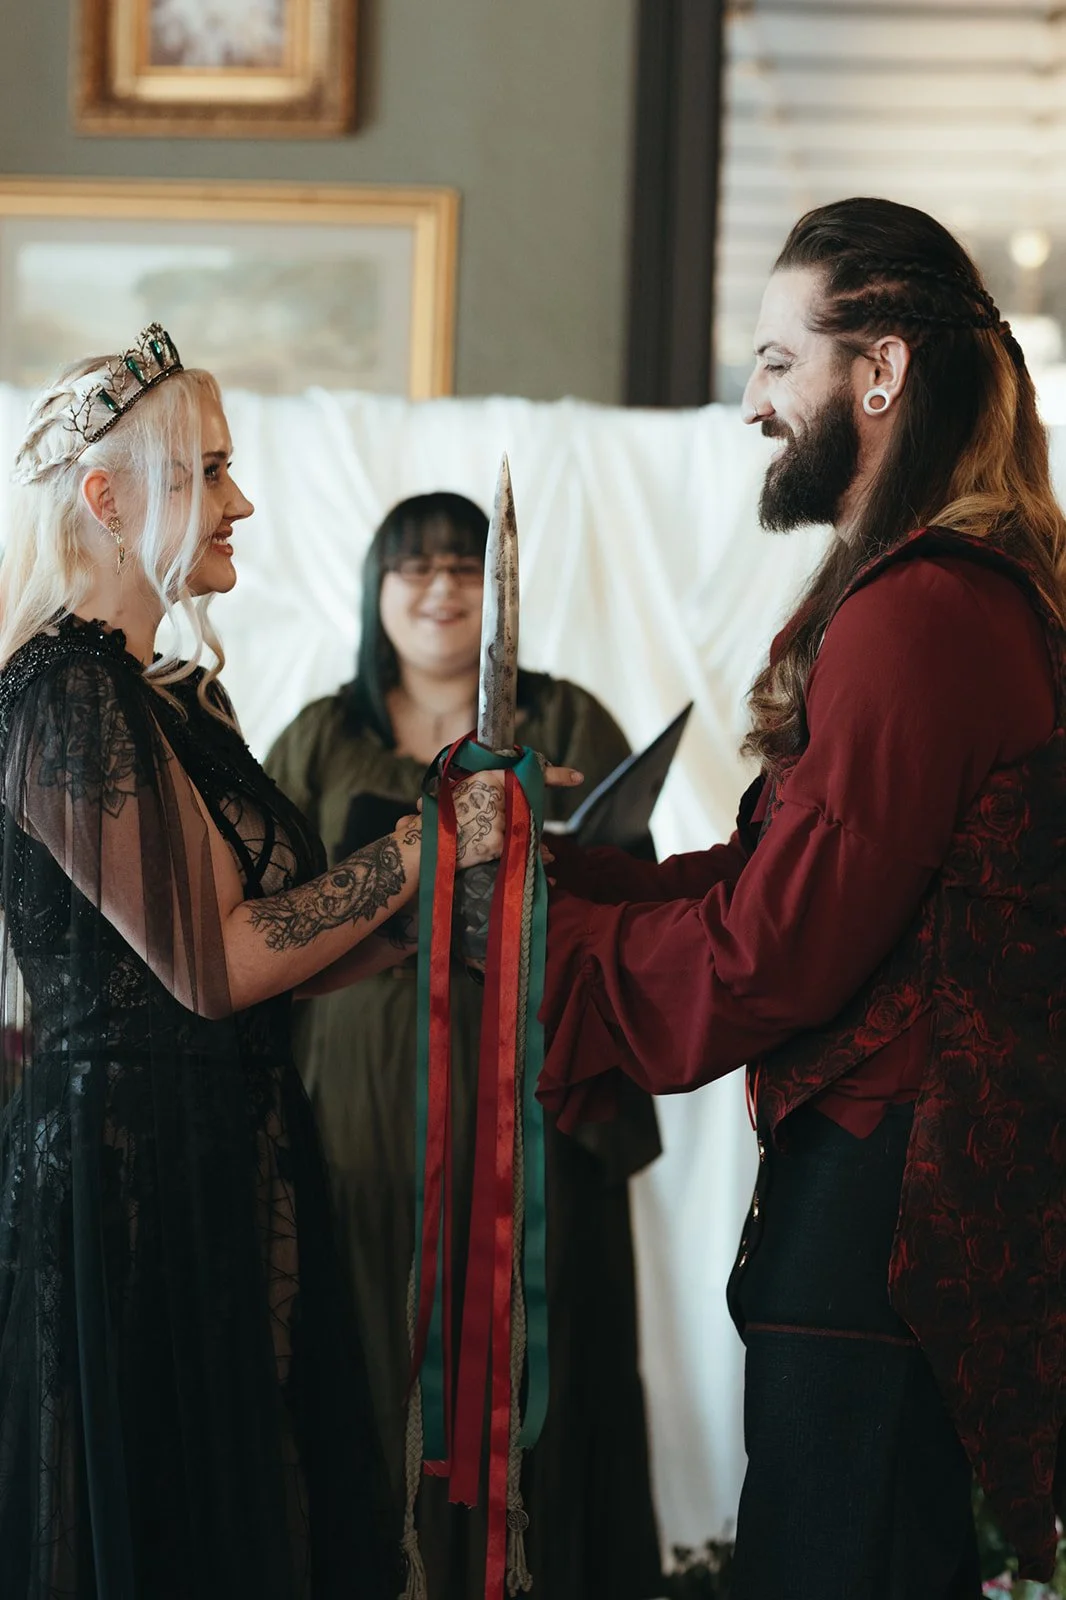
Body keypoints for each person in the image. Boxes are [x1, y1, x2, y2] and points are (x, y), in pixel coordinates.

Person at [457, 198, 1066, 1599]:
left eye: (775, 361)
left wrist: (544, 943)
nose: (749, 403)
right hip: (893, 1201)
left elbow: (779, 949)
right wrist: (577, 880)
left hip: (883, 1219)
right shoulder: (956, 598)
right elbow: (786, 881)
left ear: (882, 371)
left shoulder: (922, 615)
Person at [0, 332, 557, 1600]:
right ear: (108, 499)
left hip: (238, 1137)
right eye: (209, 472)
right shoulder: (63, 701)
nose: (241, 502)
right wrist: (425, 849)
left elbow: (279, 953)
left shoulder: (176, 698)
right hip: (127, 1178)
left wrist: (426, 918)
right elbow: (210, 963)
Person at [265, 491, 664, 1600]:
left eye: (462, 568)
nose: (441, 589)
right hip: (356, 1131)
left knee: (541, 1380)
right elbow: (265, 920)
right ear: (375, 592)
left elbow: (628, 891)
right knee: (369, 1378)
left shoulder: (571, 721)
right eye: (414, 569)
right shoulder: (319, 737)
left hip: (533, 1116)